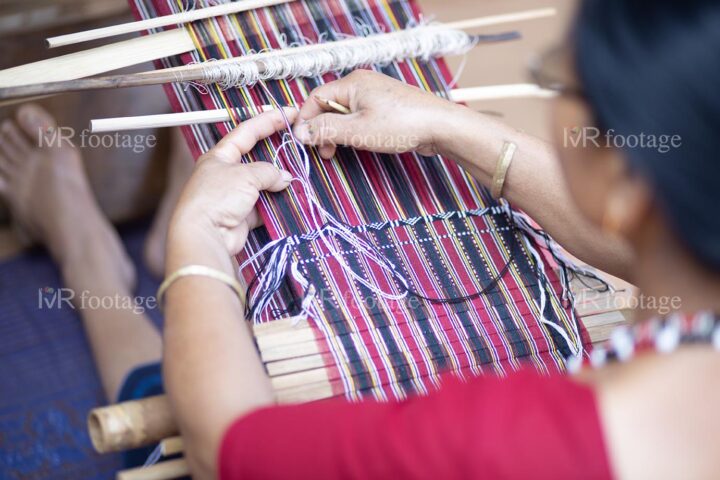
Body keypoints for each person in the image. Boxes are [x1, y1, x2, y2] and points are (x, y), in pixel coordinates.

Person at [2, 0, 718, 478]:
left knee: (184, 413)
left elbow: (234, 446)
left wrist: (199, 250)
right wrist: (451, 126)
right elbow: (641, 243)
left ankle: (87, 245)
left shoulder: (516, 445)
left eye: (562, 80)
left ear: (625, 181)